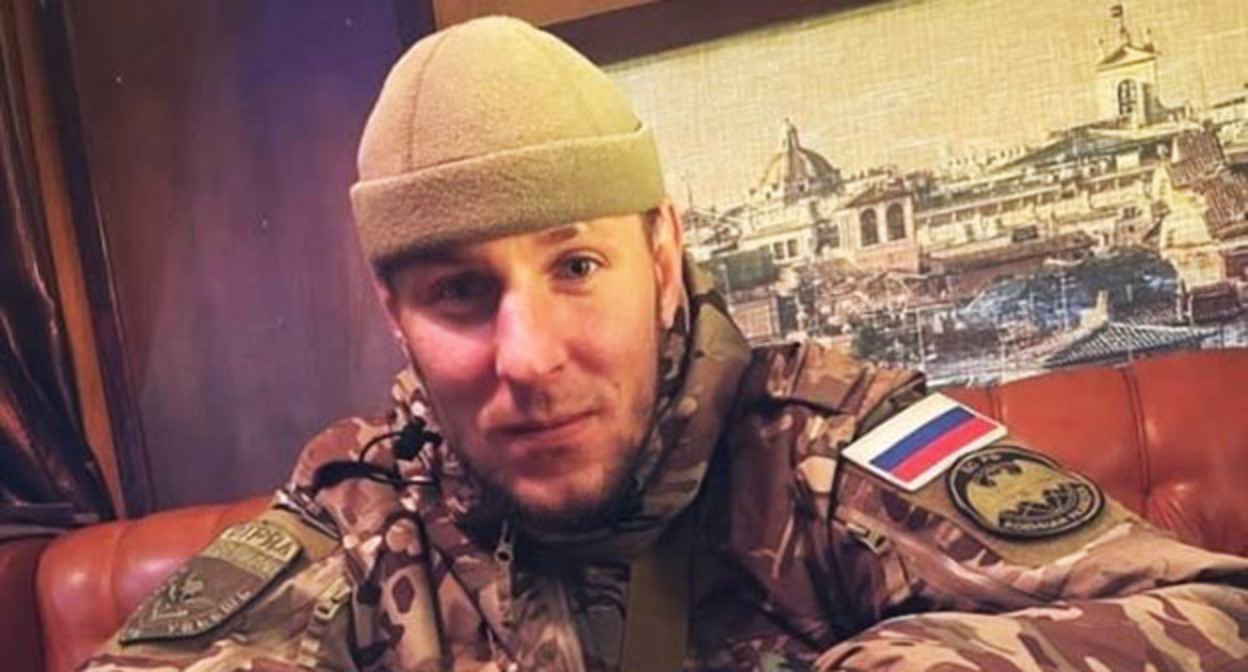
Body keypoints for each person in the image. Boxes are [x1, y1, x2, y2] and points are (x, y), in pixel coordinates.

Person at [82, 16, 1248, 672]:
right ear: (397, 317)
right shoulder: (363, 509)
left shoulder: (828, 446)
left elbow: (1212, 614)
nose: (529, 356)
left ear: (660, 251)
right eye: (460, 293)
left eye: (575, 267)